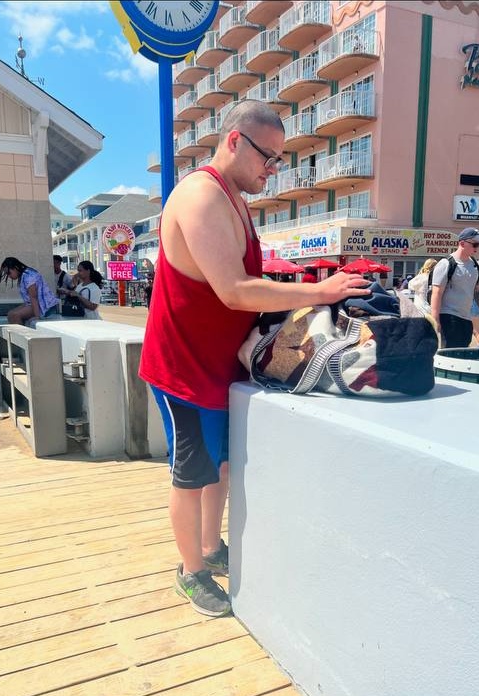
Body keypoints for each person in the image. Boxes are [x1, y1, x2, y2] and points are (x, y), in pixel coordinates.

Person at [138, 99, 369, 618]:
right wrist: (319, 293)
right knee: (190, 472)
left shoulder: (235, 198)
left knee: (219, 466)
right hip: (181, 367)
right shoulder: (200, 196)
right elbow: (236, 291)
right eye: (269, 157)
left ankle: (210, 547)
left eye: (279, 160)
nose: (273, 168)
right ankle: (190, 571)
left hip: (218, 365)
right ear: (236, 142)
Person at [430, 227, 479, 348]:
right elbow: (436, 293)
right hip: (448, 317)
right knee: (451, 354)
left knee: (462, 352)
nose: (477, 247)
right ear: (462, 243)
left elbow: (478, 291)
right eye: (475, 244)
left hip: (466, 318)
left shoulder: (475, 265)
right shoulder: (446, 263)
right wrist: (435, 319)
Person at [0, 256, 59, 325]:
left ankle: (21, 334)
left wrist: (37, 317)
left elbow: (34, 297)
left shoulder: (28, 276)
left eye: (9, 273)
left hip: (45, 306)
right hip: (35, 304)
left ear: (15, 268)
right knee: (10, 314)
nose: (9, 276)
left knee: (15, 315)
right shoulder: (23, 276)